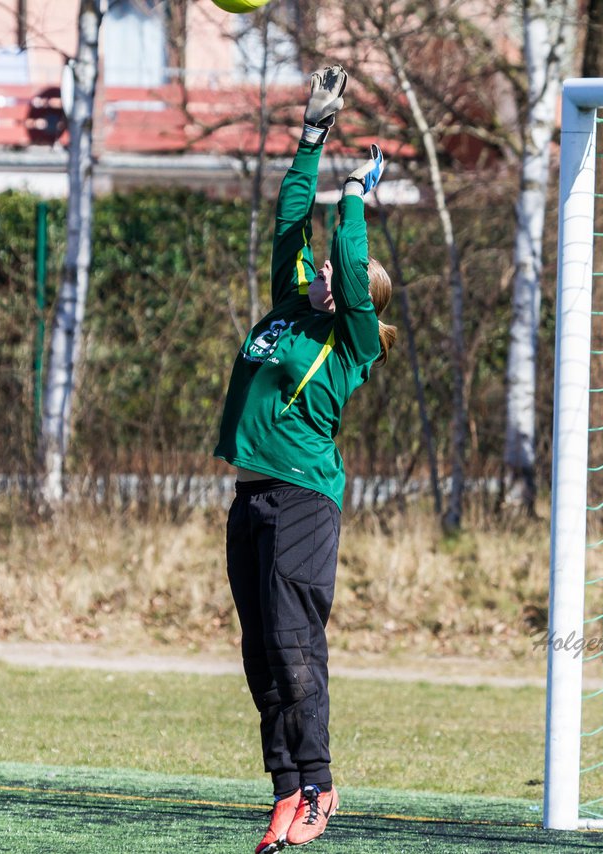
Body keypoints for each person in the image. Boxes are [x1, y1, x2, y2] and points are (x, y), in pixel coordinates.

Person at [214, 64, 397, 853]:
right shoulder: (294, 305)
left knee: (295, 648)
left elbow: (350, 262)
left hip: (302, 503)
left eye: (337, 273)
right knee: (260, 652)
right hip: (251, 499)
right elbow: (292, 221)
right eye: (322, 269)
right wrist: (312, 138)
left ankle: (320, 785)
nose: (325, 269)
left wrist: (355, 195)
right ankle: (285, 792)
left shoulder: (351, 339)